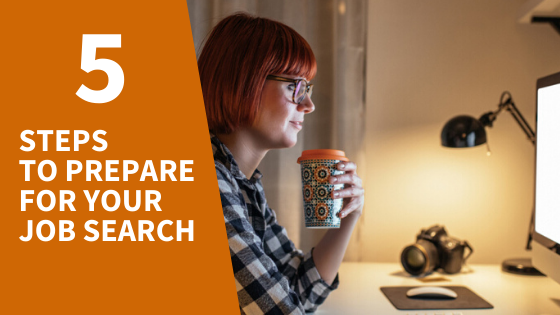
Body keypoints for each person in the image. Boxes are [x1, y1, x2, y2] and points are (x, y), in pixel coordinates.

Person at [197, 13, 365, 314]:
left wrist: (349, 214)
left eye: (307, 88)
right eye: (294, 86)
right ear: (243, 81)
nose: (308, 105)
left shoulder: (242, 185)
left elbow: (299, 289)